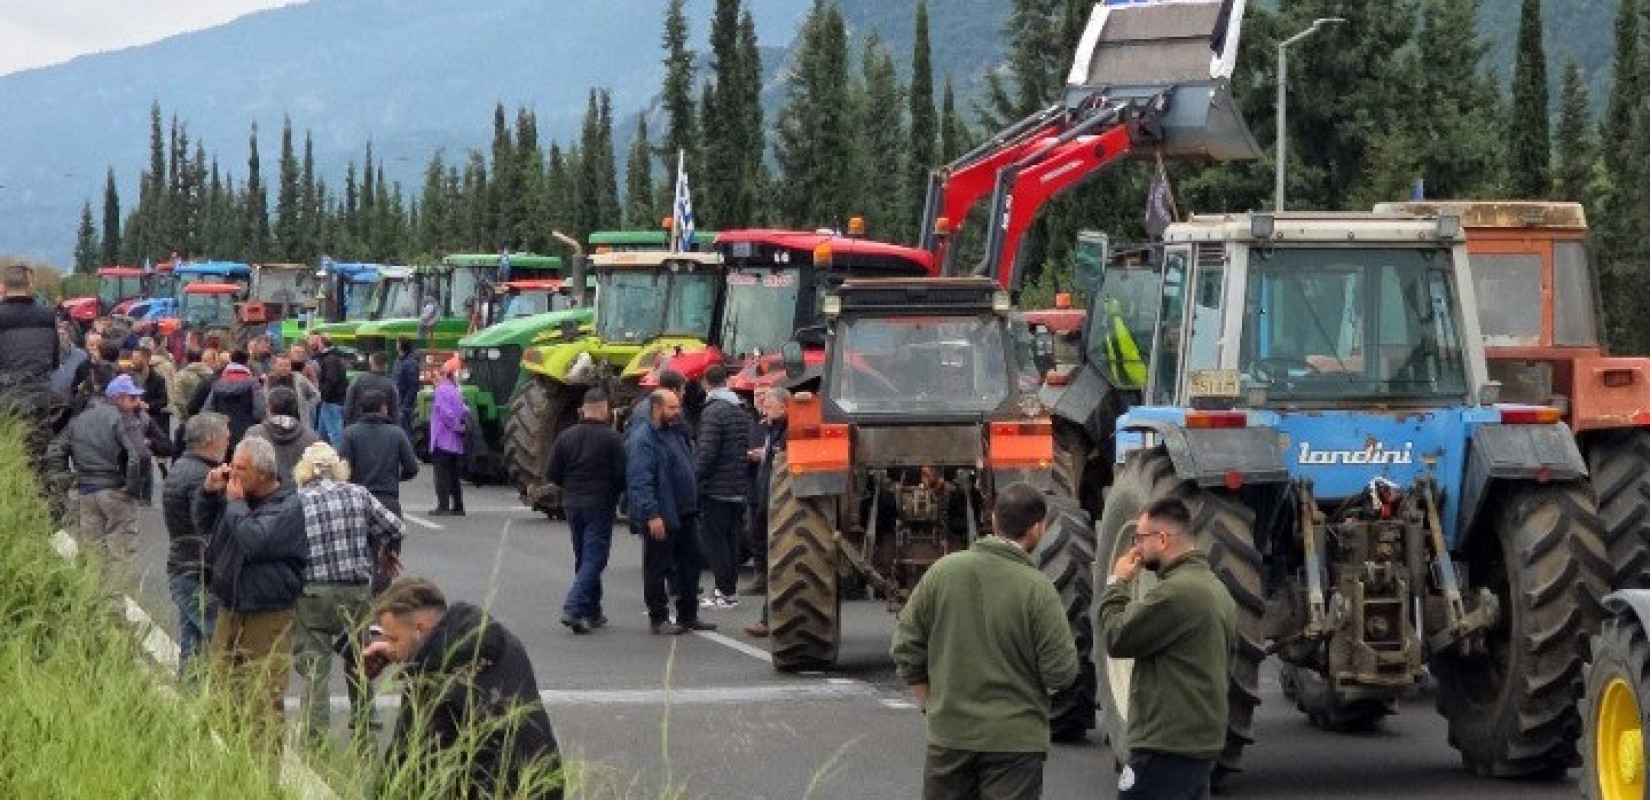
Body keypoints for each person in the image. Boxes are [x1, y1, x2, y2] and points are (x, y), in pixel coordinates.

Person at [890, 483, 1078, 800]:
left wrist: (931, 703)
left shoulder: (942, 573)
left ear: (993, 520)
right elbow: (1061, 672)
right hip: (1015, 744)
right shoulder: (1037, 588)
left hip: (949, 737)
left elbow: (905, 648)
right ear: (1037, 528)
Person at [363, 578, 563, 799]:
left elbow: (409, 764)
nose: (388, 648)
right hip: (543, 782)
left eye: (393, 639)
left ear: (420, 629)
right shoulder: (501, 640)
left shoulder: (433, 677)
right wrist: (402, 652)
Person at [1098, 497, 1236, 800]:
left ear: (1161, 539)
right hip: (1199, 741)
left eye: (1139, 538)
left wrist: (1116, 584)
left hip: (1166, 745)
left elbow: (1116, 637)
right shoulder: (1217, 590)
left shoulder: (1175, 593)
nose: (1135, 547)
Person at [195, 435, 308, 757]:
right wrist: (209, 493)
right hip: (230, 608)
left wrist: (233, 503)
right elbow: (203, 525)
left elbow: (254, 540)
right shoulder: (237, 500)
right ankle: (230, 769)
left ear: (263, 473)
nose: (234, 475)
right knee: (221, 692)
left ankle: (264, 780)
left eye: (241, 469)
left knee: (262, 701)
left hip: (267, 614)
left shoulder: (289, 506)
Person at [291, 442, 404, 744]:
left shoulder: (297, 501)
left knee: (316, 668)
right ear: (338, 468)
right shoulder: (358, 494)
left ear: (304, 471)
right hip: (355, 591)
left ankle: (314, 735)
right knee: (358, 656)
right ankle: (367, 718)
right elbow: (396, 527)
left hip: (313, 592)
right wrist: (384, 552)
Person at [628, 388, 713, 635]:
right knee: (658, 567)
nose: (678, 412)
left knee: (690, 565)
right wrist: (652, 514)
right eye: (672, 408)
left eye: (678, 407)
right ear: (657, 408)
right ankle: (659, 617)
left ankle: (689, 615)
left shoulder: (677, 433)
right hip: (662, 514)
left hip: (686, 512)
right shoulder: (644, 438)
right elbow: (640, 479)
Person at [56, 376, 152, 580]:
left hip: (86, 492)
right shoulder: (121, 419)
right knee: (120, 551)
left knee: (92, 552)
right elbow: (141, 455)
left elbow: (55, 451)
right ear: (118, 398)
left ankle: (92, 603)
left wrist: (66, 479)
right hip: (116, 491)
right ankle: (113, 605)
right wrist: (133, 487)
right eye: (132, 397)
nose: (136, 403)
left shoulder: (78, 420)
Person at [545, 390, 625, 634]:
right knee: (595, 558)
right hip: (599, 504)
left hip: (572, 504)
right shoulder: (612, 439)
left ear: (583, 409)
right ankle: (574, 608)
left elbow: (553, 473)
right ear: (604, 410)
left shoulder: (565, 437)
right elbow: (622, 476)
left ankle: (593, 609)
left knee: (583, 556)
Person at [163, 412, 229, 673]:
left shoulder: (181, 467)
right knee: (216, 639)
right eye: (225, 435)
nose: (228, 440)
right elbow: (206, 523)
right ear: (211, 440)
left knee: (192, 642)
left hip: (182, 565)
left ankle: (189, 702)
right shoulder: (202, 477)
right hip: (197, 569)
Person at [693, 365, 749, 610]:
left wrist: (695, 478)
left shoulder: (713, 411)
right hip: (738, 484)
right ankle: (730, 590)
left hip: (717, 487)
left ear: (706, 383)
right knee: (732, 540)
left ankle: (722, 592)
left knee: (716, 542)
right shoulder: (740, 409)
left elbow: (707, 453)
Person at [742, 386, 789, 638]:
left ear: (785, 407)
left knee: (779, 563)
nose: (764, 409)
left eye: (769, 405)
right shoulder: (771, 429)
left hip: (777, 506)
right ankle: (770, 617)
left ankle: (771, 618)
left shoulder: (786, 433)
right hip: (765, 501)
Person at [242, 386, 321, 491]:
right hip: (300, 496)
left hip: (264, 496)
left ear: (269, 407)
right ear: (295, 407)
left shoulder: (253, 434)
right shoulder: (311, 437)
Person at [428, 357, 467, 517]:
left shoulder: (441, 391)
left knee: (442, 475)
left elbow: (446, 414)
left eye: (437, 375)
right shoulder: (456, 390)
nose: (434, 380)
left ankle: (443, 505)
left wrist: (455, 426)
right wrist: (461, 428)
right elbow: (464, 410)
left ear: (444, 375)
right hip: (455, 441)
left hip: (443, 439)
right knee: (454, 476)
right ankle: (458, 506)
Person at [200, 359, 266, 451]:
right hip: (246, 437)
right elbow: (259, 413)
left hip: (222, 437)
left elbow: (205, 412)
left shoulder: (217, 386)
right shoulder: (254, 386)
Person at [343, 350, 400, 427]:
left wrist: (347, 425)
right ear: (386, 366)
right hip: (383, 428)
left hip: (358, 425)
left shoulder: (358, 380)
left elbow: (348, 406)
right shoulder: (391, 385)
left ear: (371, 363)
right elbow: (395, 412)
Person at [266, 352, 321, 427]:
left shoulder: (298, 378)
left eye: (287, 365)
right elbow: (265, 401)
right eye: (281, 365)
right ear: (275, 366)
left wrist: (305, 407)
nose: (284, 368)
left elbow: (316, 395)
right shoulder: (269, 380)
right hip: (275, 424)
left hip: (298, 423)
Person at [312, 334, 348, 445]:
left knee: (335, 435)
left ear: (321, 344)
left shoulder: (330, 359)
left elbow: (331, 381)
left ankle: (340, 459)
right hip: (331, 401)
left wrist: (323, 395)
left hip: (331, 401)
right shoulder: (334, 357)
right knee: (322, 435)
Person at [130, 345, 171, 438]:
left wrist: (148, 406)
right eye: (133, 358)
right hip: (133, 422)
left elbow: (164, 400)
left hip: (151, 422)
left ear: (145, 360)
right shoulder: (129, 377)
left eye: (136, 358)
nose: (133, 361)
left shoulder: (158, 379)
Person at [394, 339, 421, 435]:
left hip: (405, 406)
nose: (396, 345)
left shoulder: (411, 363)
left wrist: (405, 406)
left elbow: (413, 387)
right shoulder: (398, 361)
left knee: (406, 431)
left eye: (397, 343)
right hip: (398, 402)